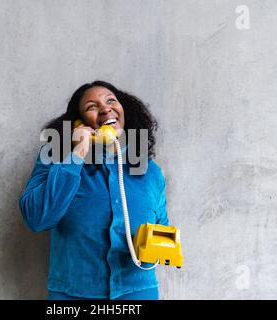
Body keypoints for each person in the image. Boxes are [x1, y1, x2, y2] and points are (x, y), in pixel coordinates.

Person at [19, 80, 170, 300]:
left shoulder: (150, 171)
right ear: (79, 123)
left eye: (111, 101)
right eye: (92, 106)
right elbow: (37, 218)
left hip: (137, 292)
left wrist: (156, 250)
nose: (105, 108)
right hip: (73, 295)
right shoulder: (54, 158)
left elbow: (162, 228)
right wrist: (78, 151)